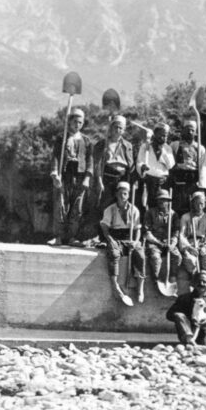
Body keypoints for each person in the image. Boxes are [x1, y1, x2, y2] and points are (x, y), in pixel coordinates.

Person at [51, 106, 94, 246]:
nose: (78, 125)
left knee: (77, 208)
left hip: (80, 177)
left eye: (80, 122)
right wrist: (55, 174)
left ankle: (72, 237)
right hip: (64, 176)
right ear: (69, 122)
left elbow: (90, 161)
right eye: (75, 121)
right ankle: (58, 236)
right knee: (61, 206)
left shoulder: (86, 141)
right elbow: (56, 157)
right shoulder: (61, 139)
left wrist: (88, 177)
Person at [99, 181, 145, 303]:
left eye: (125, 194)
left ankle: (140, 288)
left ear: (128, 195)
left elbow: (137, 229)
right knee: (114, 254)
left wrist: (135, 242)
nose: (122, 196)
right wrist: (110, 240)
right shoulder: (110, 209)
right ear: (116, 194)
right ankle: (115, 286)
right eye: (120, 194)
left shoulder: (134, 209)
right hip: (115, 237)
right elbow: (104, 228)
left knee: (140, 255)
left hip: (129, 238)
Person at [165, 270, 206, 345]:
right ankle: (189, 340)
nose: (201, 284)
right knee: (179, 315)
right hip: (190, 333)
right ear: (193, 284)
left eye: (204, 282)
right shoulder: (184, 298)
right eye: (198, 281)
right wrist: (188, 319)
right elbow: (169, 314)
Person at [93, 115, 135, 215]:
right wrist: (99, 181)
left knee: (120, 204)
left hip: (122, 177)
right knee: (105, 205)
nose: (117, 130)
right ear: (111, 128)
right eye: (115, 127)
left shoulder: (127, 145)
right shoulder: (102, 144)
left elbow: (131, 165)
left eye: (120, 128)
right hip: (107, 177)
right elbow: (97, 164)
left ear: (124, 130)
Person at [143, 189, 180, 289]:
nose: (162, 202)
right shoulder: (150, 213)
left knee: (177, 256)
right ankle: (157, 281)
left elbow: (176, 232)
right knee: (155, 258)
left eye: (164, 200)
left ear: (168, 201)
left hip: (168, 241)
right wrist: (158, 243)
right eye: (160, 200)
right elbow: (147, 233)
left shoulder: (174, 215)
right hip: (154, 242)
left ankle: (172, 279)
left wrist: (172, 243)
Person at [169, 119, 206, 214]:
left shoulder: (200, 148)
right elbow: (169, 163)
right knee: (177, 207)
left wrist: (202, 186)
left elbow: (203, 167)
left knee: (192, 207)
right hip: (178, 181)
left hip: (193, 182)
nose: (190, 132)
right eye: (187, 129)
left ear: (196, 133)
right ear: (183, 130)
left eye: (192, 130)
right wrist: (179, 166)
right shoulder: (175, 145)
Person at [136, 123, 175, 208]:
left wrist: (163, 151)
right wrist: (142, 167)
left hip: (162, 182)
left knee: (162, 206)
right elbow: (139, 162)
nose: (163, 138)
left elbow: (170, 165)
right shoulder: (146, 146)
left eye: (165, 136)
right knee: (148, 205)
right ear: (155, 134)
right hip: (149, 181)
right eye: (161, 135)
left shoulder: (168, 148)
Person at [178, 190, 206, 274]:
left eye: (201, 203)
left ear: (205, 204)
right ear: (192, 203)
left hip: (202, 244)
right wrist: (188, 247)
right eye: (196, 203)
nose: (199, 206)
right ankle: (194, 278)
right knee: (190, 261)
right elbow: (182, 235)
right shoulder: (185, 217)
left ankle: (204, 279)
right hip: (190, 243)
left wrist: (205, 247)